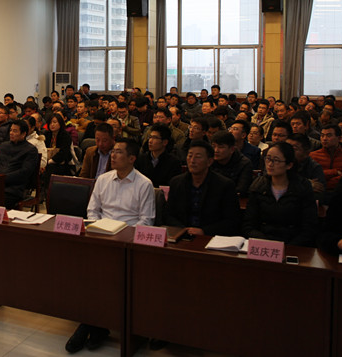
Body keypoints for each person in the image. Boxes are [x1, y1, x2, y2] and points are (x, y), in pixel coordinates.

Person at [67, 139, 154, 353]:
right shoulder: (103, 179)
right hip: (101, 236)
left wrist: (122, 235)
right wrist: (99, 229)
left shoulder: (144, 184)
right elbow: (92, 211)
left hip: (127, 242)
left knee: (107, 277)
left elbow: (146, 221)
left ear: (132, 158)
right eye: (113, 151)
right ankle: (95, 326)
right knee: (82, 272)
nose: (113, 155)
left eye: (119, 152)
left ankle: (89, 326)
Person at [242, 142, 318, 246]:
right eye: (268, 159)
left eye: (276, 160)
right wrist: (267, 243)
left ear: (289, 165)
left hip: (293, 245)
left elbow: (309, 227)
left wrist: (288, 247)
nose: (270, 164)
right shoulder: (258, 186)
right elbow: (249, 225)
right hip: (263, 244)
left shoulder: (302, 187)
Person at [164, 140, 240, 235]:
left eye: (198, 157)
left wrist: (204, 231)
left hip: (211, 236)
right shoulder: (176, 182)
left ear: (209, 161)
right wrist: (184, 230)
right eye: (190, 156)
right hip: (181, 234)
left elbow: (232, 221)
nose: (192, 161)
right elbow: (169, 215)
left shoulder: (225, 185)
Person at [0, 119, 40, 209]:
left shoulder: (30, 150)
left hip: (15, 187)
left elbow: (24, 172)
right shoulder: (3, 146)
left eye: (15, 131)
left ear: (23, 134)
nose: (11, 133)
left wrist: (2, 179)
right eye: (11, 130)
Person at [310, 124, 342, 193]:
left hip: (341, 192)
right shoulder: (313, 155)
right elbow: (312, 176)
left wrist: (324, 184)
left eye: (329, 135)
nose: (324, 139)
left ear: (339, 138)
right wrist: (335, 172)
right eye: (322, 135)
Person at [209, 131, 253, 197]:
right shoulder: (209, 161)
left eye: (221, 147)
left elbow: (241, 190)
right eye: (213, 146)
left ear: (232, 149)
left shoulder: (244, 164)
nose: (216, 150)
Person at [288, 133, 326, 198]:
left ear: (306, 152)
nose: (289, 151)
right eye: (287, 148)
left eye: (294, 149)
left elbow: (319, 192)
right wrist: (307, 184)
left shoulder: (314, 167)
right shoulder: (280, 163)